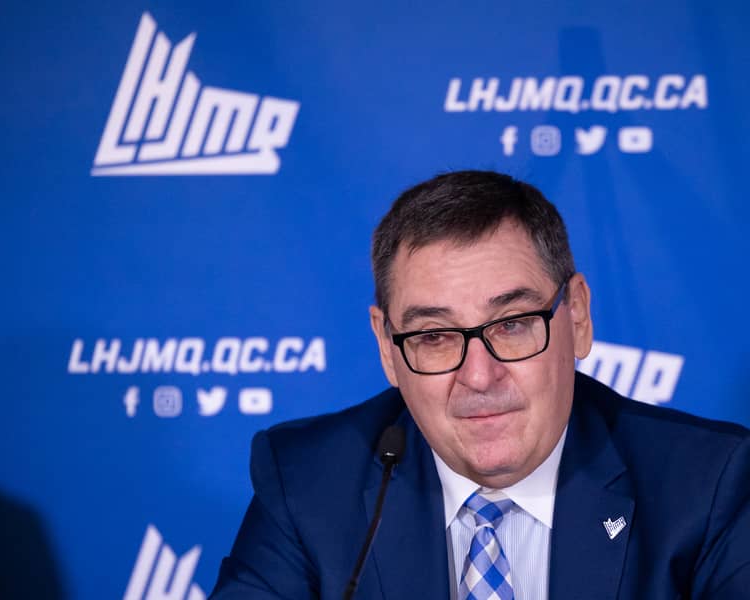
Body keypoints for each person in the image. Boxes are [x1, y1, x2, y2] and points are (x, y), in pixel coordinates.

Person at [210, 170, 750, 599]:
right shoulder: (308, 482)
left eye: (512, 325)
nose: (478, 376)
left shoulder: (706, 486)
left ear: (578, 316)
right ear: (387, 347)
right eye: (435, 336)